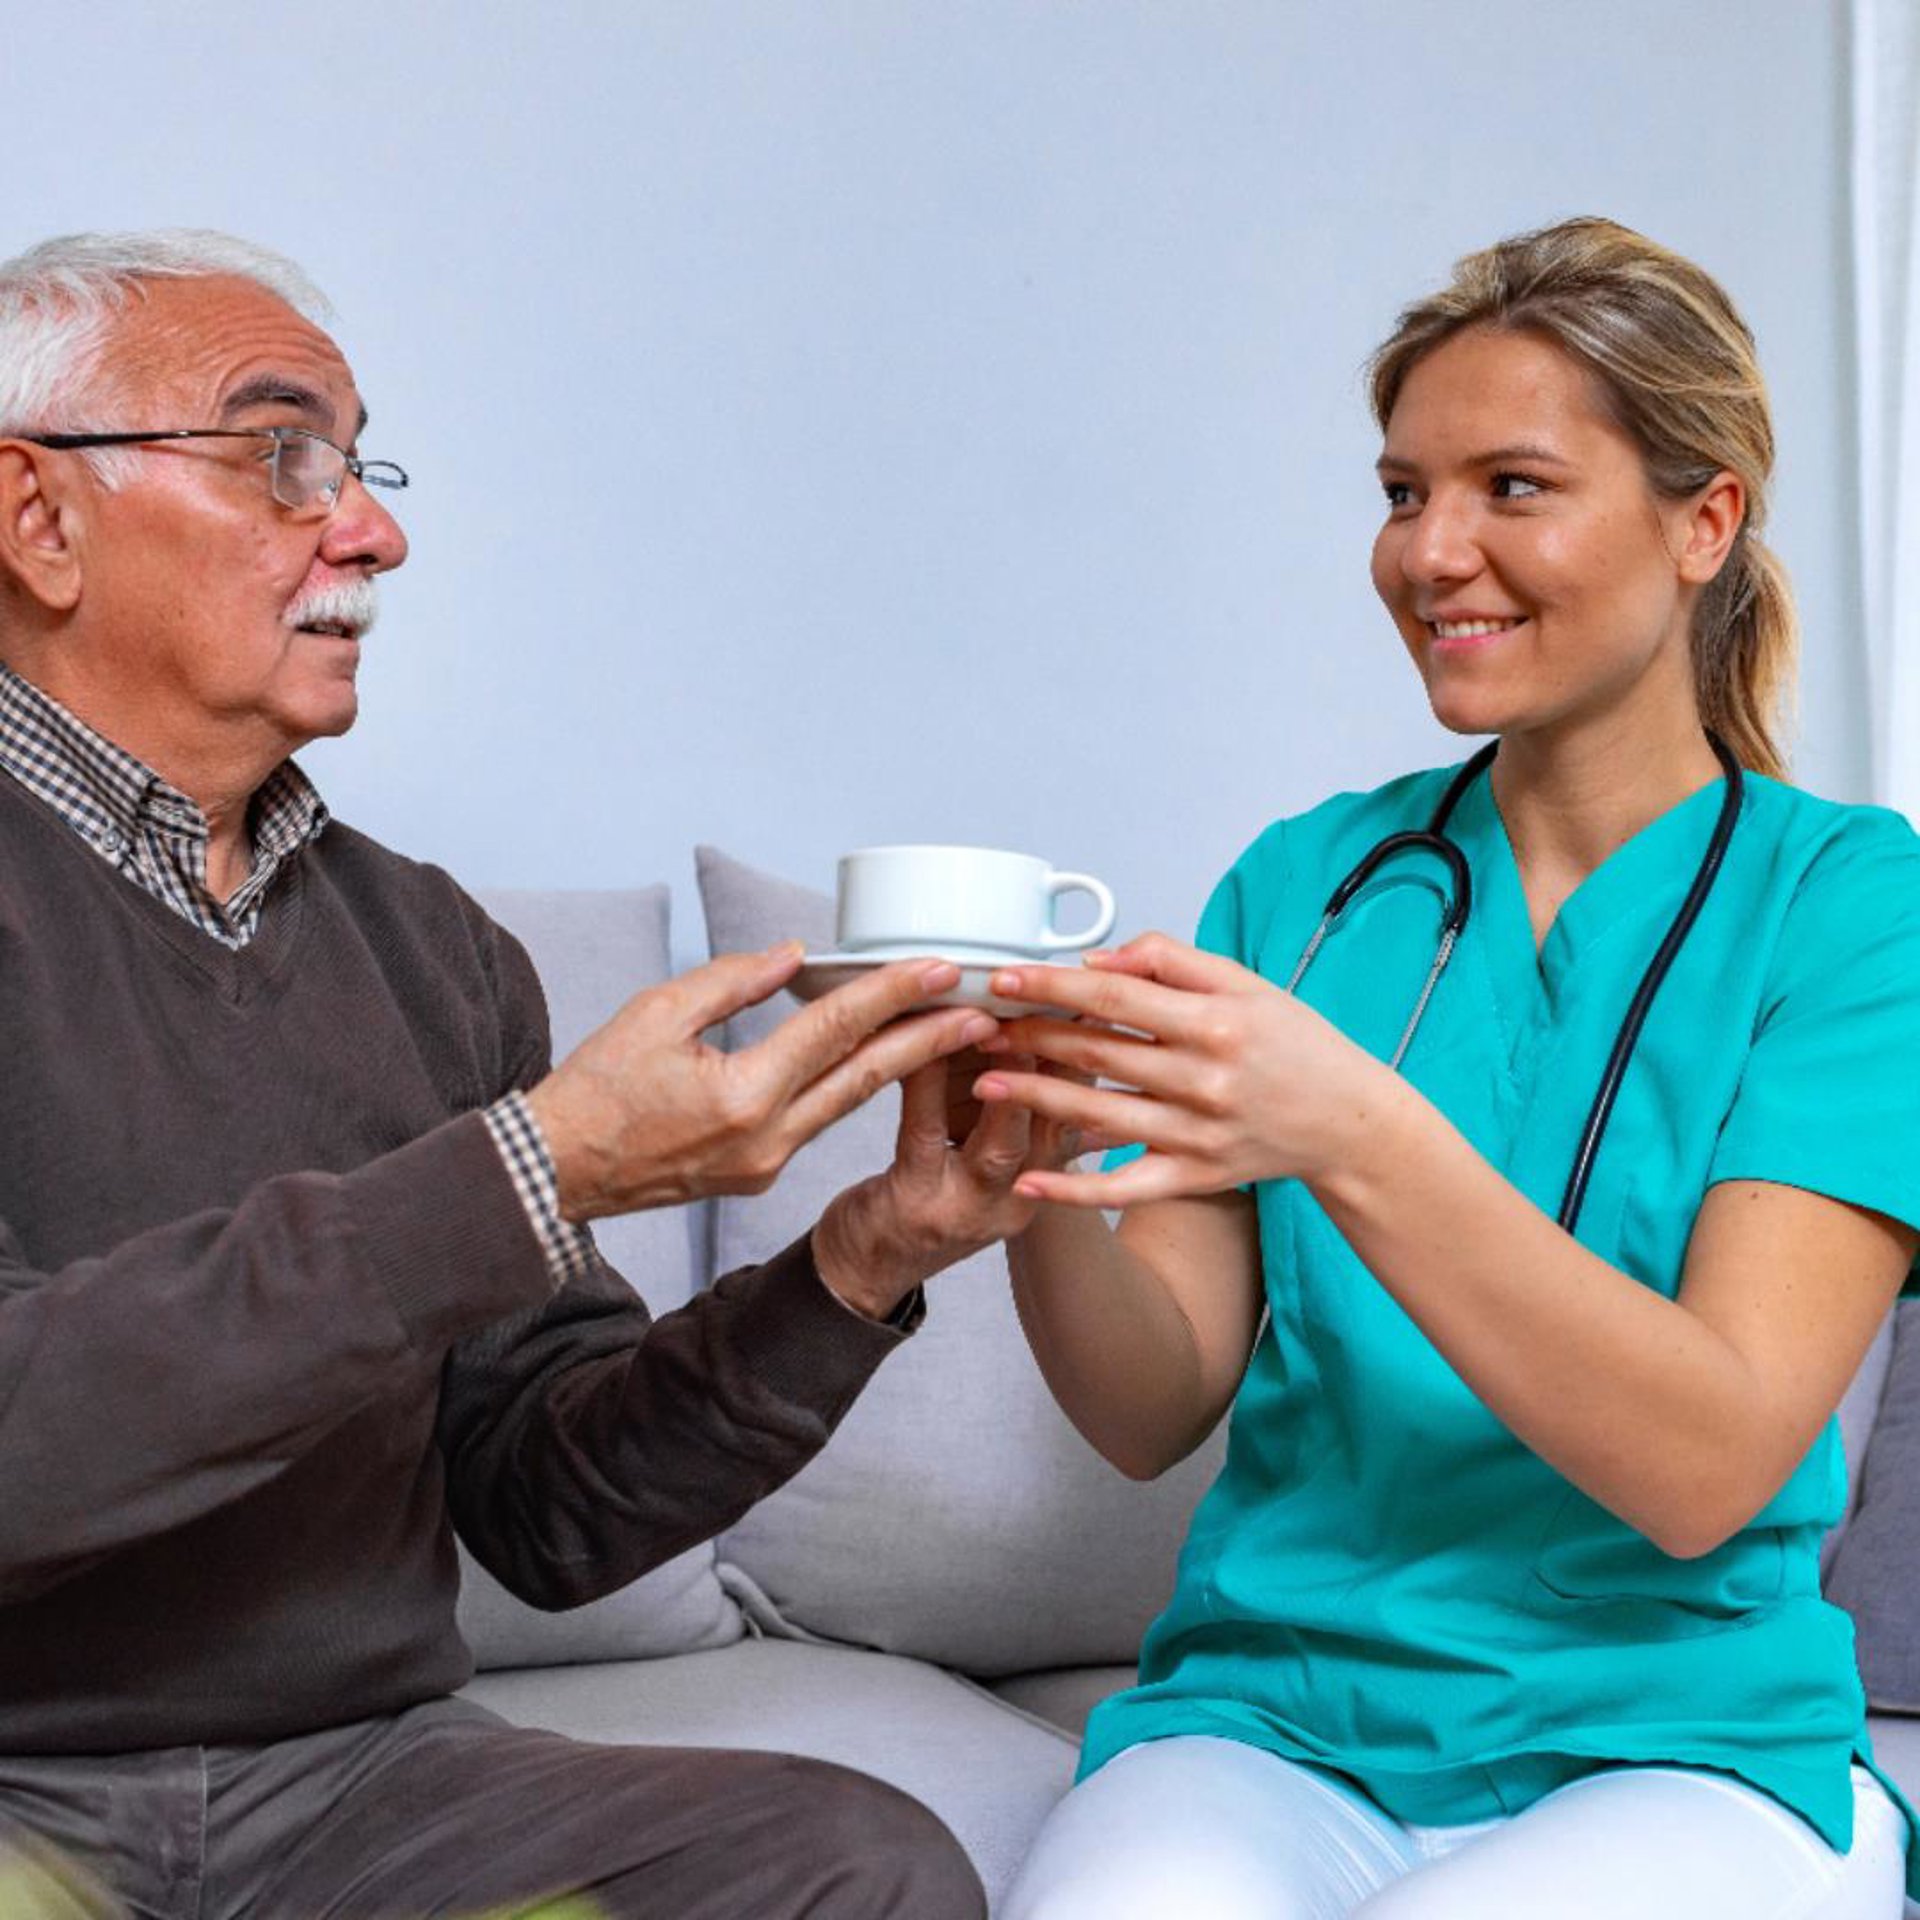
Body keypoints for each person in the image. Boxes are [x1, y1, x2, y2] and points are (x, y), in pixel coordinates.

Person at [0, 228, 1027, 1919]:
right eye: (282, 458)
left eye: (359, 467)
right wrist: (529, 1172)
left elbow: (551, 1511)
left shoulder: (434, 950)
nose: (372, 531)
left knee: (857, 1866)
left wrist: (863, 1261)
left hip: (352, 1787)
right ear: (40, 519)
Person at [920, 218, 1920, 1916]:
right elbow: (1150, 1406)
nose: (1430, 553)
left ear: (1705, 522)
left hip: (1684, 1747)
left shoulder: (1851, 908)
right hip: (1275, 1727)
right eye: (1402, 492)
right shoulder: (1308, 887)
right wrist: (1031, 1172)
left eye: (1511, 487)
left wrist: (1352, 1130)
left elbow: (1710, 1467)